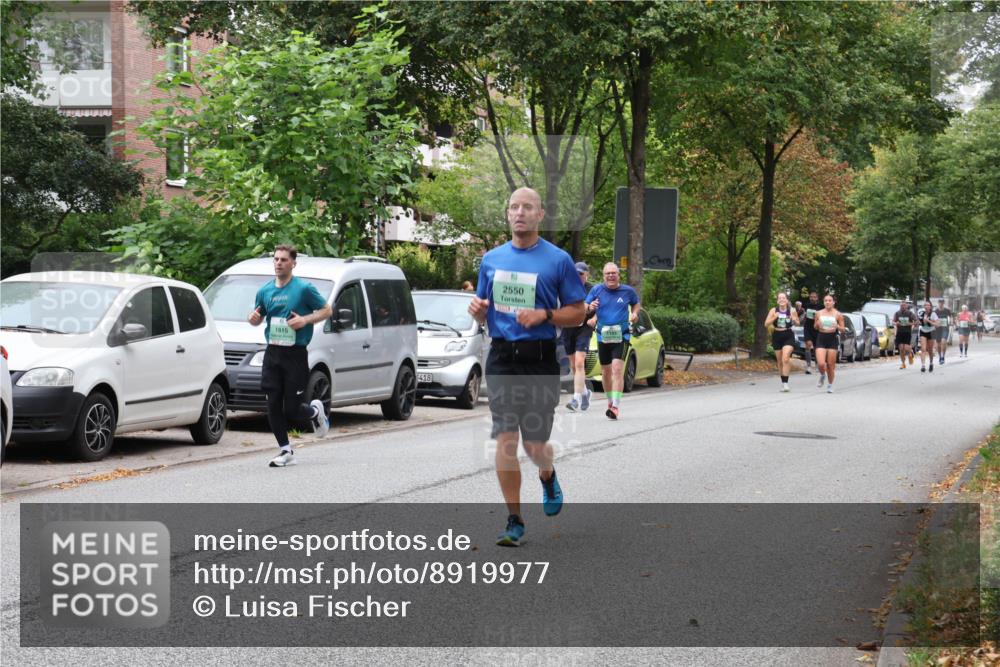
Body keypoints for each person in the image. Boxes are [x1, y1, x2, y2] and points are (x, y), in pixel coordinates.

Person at [468, 187, 586, 547]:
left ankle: (547, 475)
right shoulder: (491, 259)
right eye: (514, 207)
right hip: (502, 357)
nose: (520, 213)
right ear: (507, 214)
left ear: (540, 214)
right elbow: (486, 306)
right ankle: (514, 520)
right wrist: (479, 311)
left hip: (539, 358)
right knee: (505, 441)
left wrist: (545, 314)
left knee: (535, 444)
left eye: (527, 207)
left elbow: (578, 311)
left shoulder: (558, 260)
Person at [249, 244, 333, 467]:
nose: (278, 263)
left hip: (295, 354)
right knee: (272, 403)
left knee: (293, 409)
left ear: (293, 263)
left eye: (284, 260)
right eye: (276, 259)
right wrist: (254, 319)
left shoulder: (304, 289)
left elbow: (327, 310)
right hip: (273, 352)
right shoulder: (265, 291)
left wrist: (305, 320)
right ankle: (285, 450)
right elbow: (257, 315)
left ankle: (315, 412)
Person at [585, 262, 641, 420]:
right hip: (603, 335)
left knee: (617, 369)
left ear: (618, 275)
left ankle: (615, 406)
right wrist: (590, 308)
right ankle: (609, 401)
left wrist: (635, 314)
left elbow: (636, 304)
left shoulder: (627, 291)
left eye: (613, 273)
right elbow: (585, 307)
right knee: (606, 372)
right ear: (604, 276)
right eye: (607, 273)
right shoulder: (597, 290)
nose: (610, 276)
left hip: (621, 335)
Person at [562, 261, 595, 412]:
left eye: (581, 274)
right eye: (576, 273)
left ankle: (575, 399)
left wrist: (595, 318)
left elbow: (600, 307)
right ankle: (585, 392)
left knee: (580, 363)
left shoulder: (592, 290)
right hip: (568, 328)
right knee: (574, 365)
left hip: (584, 328)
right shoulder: (565, 287)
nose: (578, 276)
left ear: (586, 275)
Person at [765, 292, 800, 392]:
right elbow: (766, 324)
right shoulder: (773, 310)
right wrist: (774, 317)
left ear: (787, 300)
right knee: (780, 361)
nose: (781, 300)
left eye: (783, 298)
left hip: (788, 335)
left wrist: (794, 319)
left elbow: (797, 322)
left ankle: (786, 384)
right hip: (777, 335)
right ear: (777, 300)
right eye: (779, 298)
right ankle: (783, 381)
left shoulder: (792, 310)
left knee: (785, 358)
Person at [813, 294, 845, 393]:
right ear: (823, 302)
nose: (827, 302)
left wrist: (837, 326)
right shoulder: (818, 313)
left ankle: (830, 385)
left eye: (829, 300)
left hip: (832, 339)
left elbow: (843, 329)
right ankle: (822, 375)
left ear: (833, 302)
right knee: (821, 363)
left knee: (831, 365)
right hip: (821, 338)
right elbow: (815, 327)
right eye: (825, 300)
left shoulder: (838, 314)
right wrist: (817, 324)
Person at [800, 290, 822, 375]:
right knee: (808, 345)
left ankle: (817, 365)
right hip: (808, 328)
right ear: (809, 298)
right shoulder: (806, 305)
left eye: (814, 297)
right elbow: (802, 315)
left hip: (817, 329)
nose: (813, 298)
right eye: (811, 297)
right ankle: (808, 366)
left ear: (817, 298)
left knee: (817, 348)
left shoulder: (820, 307)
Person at [892, 302, 916, 369]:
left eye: (904, 305)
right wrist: (896, 323)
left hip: (907, 332)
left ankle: (910, 353)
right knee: (901, 349)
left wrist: (910, 324)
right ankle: (903, 363)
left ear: (906, 306)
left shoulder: (910, 313)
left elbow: (916, 322)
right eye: (901, 305)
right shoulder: (897, 313)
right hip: (899, 332)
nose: (902, 307)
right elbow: (893, 321)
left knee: (905, 348)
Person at [917, 300, 938, 373]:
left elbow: (937, 324)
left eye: (928, 305)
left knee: (930, 350)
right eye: (925, 305)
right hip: (923, 332)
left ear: (930, 306)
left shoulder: (933, 314)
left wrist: (928, 321)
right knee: (923, 349)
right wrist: (918, 322)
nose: (926, 306)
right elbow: (919, 322)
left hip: (931, 332)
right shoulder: (921, 313)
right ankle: (923, 366)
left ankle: (931, 363)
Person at [934, 298, 952, 365]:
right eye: (940, 302)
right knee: (938, 345)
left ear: (943, 303)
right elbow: (933, 319)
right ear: (938, 303)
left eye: (942, 302)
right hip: (938, 329)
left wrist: (951, 322)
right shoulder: (935, 311)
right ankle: (940, 356)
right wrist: (935, 324)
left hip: (945, 328)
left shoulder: (947, 310)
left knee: (943, 341)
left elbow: (951, 317)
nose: (941, 304)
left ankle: (942, 356)